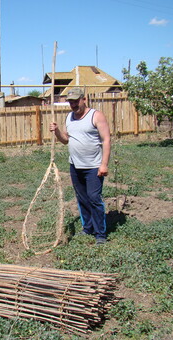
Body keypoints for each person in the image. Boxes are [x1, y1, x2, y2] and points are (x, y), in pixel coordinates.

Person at [50, 87, 111, 245]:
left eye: (76, 101)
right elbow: (66, 140)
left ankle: (100, 234)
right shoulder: (69, 117)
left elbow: (106, 140)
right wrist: (56, 131)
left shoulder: (96, 116)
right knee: (82, 199)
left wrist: (104, 164)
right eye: (70, 102)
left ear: (84, 100)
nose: (74, 104)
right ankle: (88, 228)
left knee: (94, 198)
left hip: (93, 166)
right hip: (75, 166)